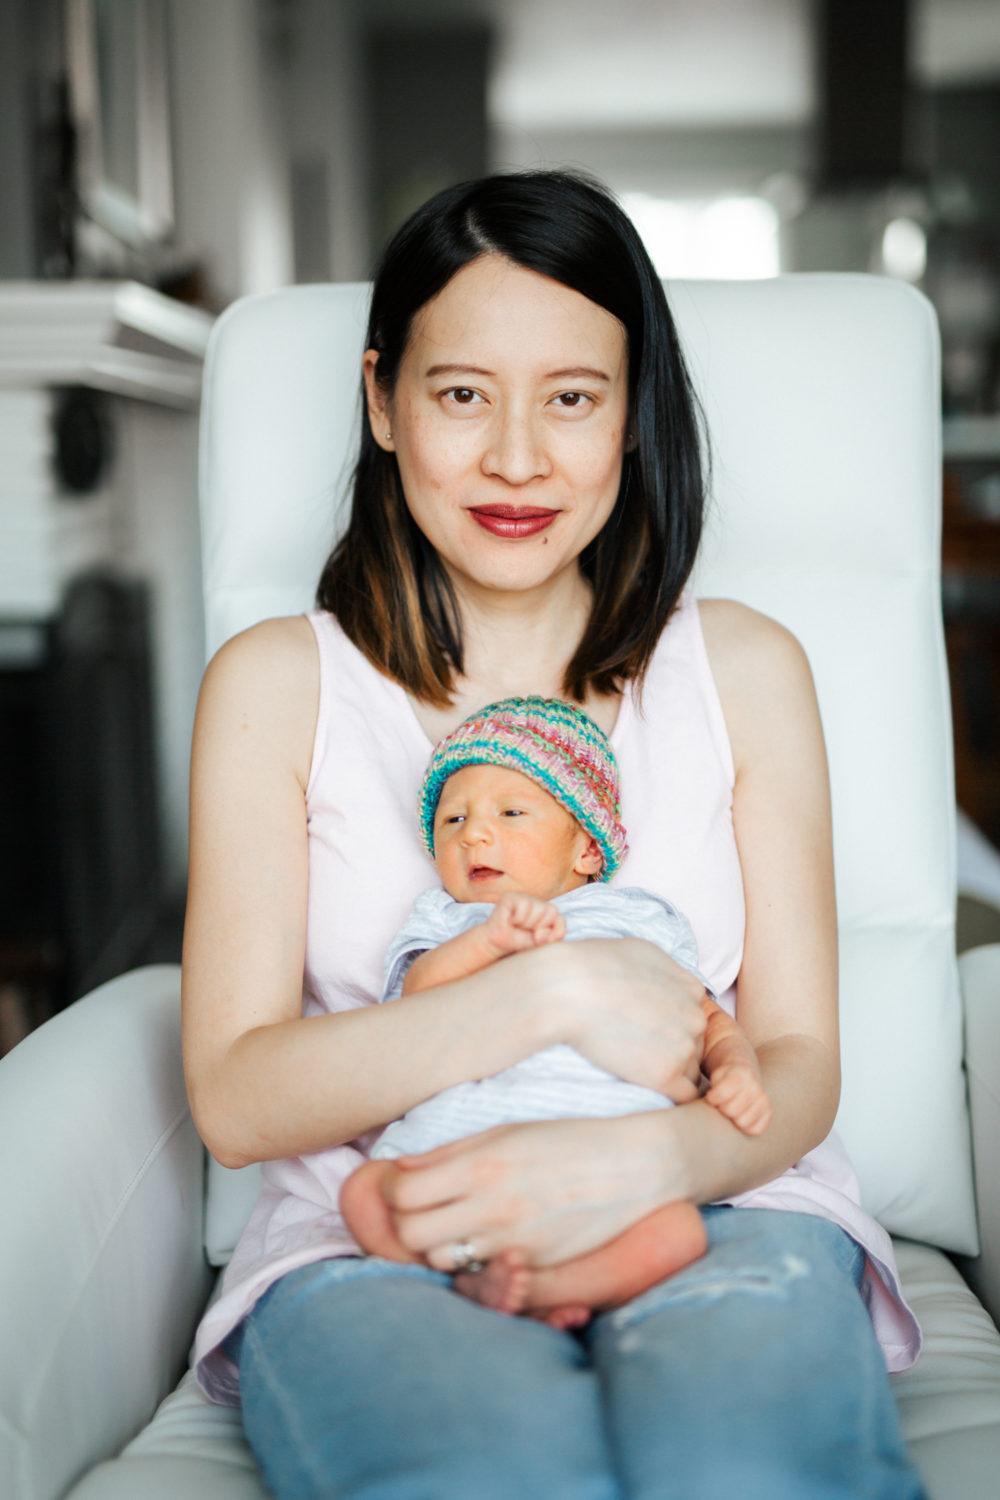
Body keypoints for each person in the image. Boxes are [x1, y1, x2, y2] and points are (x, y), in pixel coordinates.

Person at [183, 169, 926, 1498]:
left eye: (572, 399)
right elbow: (237, 1098)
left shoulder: (746, 669)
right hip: (385, 1229)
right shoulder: (277, 683)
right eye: (462, 393)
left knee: (741, 1467)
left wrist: (653, 1156)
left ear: (632, 415)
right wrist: (565, 989)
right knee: (482, 1473)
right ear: (381, 404)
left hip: (725, 1206)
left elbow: (801, 1060)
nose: (517, 458)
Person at [340, 695, 773, 1327]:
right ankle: (479, 1278)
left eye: (511, 812)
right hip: (461, 1150)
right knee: (363, 1195)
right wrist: (486, 940)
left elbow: (701, 1013)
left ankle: (548, 1286)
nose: (475, 833)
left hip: (607, 1156)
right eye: (452, 820)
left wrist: (736, 1070)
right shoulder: (445, 922)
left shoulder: (636, 918)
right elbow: (415, 1009)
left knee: (677, 1232)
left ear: (588, 853)